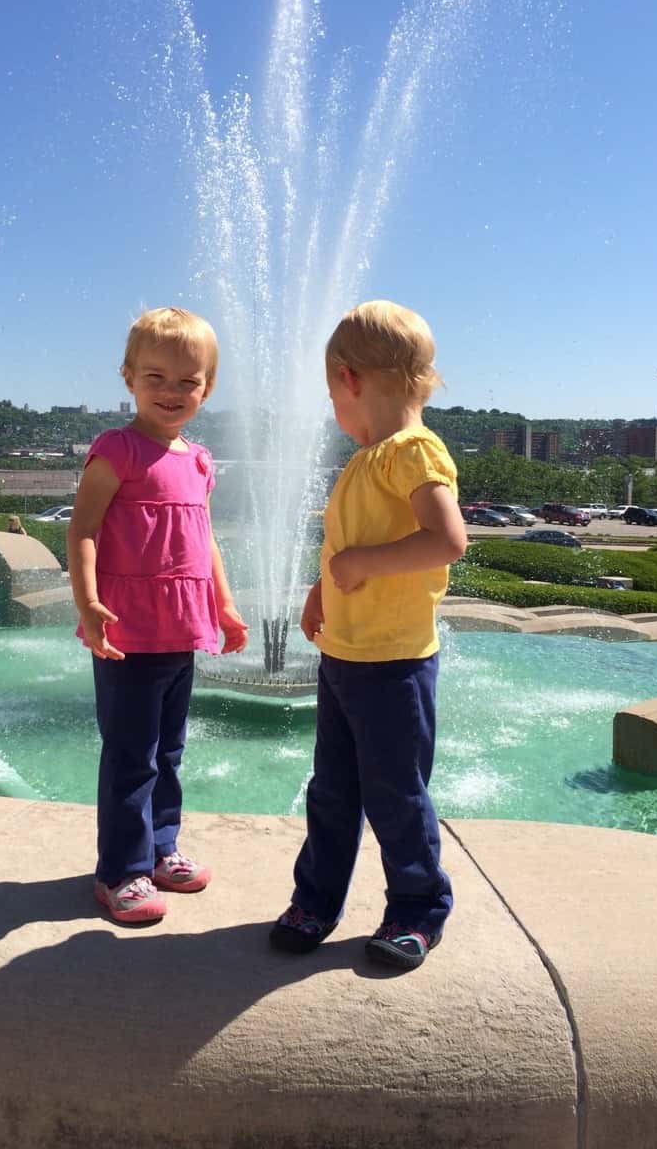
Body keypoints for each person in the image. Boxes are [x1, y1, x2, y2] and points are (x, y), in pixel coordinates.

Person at [270, 300, 467, 972]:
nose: (334, 411)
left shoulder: (411, 451)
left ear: (349, 379)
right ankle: (317, 900)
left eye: (332, 395)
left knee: (396, 794)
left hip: (394, 665)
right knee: (332, 790)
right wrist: (324, 586)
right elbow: (351, 541)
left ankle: (417, 909)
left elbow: (446, 540)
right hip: (345, 658)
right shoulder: (367, 460)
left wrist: (357, 566)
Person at [67, 307, 248, 925]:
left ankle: (161, 845)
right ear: (127, 378)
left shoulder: (197, 460)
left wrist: (223, 605)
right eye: (155, 377)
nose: (171, 392)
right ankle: (120, 870)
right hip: (129, 630)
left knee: (168, 750)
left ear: (208, 387)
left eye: (187, 381)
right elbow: (84, 529)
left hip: (180, 630)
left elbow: (204, 538)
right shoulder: (116, 450)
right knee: (130, 754)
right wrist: (88, 602)